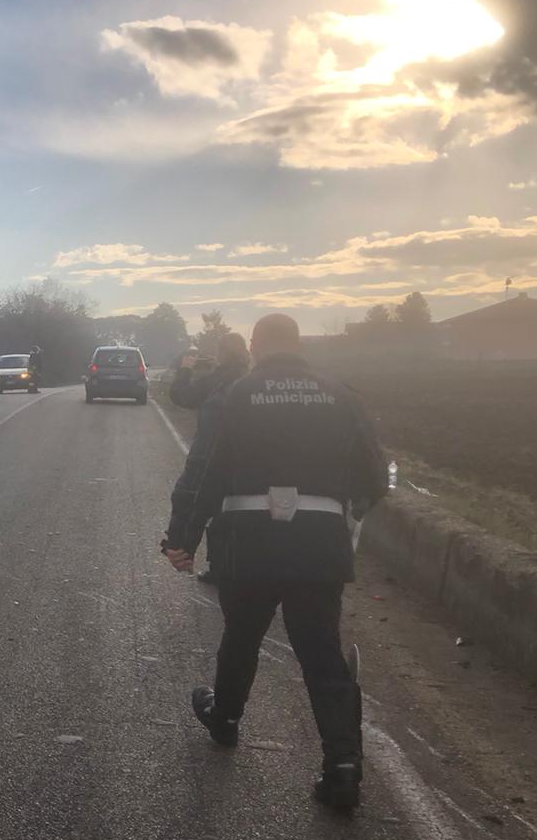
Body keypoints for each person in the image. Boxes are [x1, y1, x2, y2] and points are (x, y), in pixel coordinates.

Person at [163, 313, 388, 811]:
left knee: (242, 635)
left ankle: (224, 719)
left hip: (249, 542)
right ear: (300, 344)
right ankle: (343, 766)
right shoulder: (342, 395)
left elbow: (208, 474)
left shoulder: (235, 397)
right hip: (319, 543)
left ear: (254, 345)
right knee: (321, 652)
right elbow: (375, 480)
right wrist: (341, 514)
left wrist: (185, 537)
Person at [165, 333, 251, 584]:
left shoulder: (217, 379)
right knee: (225, 512)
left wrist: (185, 370)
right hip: (245, 461)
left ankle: (179, 551)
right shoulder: (251, 378)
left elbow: (182, 396)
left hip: (206, 455)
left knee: (186, 499)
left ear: (221, 353)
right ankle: (219, 565)